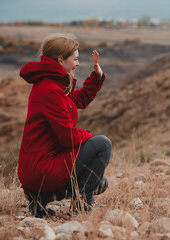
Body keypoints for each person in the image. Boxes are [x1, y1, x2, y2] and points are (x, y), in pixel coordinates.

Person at [18, 33, 112, 217]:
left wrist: (97, 76)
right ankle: (83, 204)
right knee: (103, 144)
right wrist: (89, 139)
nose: (78, 64)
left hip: (39, 168)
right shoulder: (51, 91)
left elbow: (78, 100)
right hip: (42, 168)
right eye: (75, 59)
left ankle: (42, 198)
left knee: (100, 182)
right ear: (60, 60)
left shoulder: (50, 85)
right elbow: (68, 137)